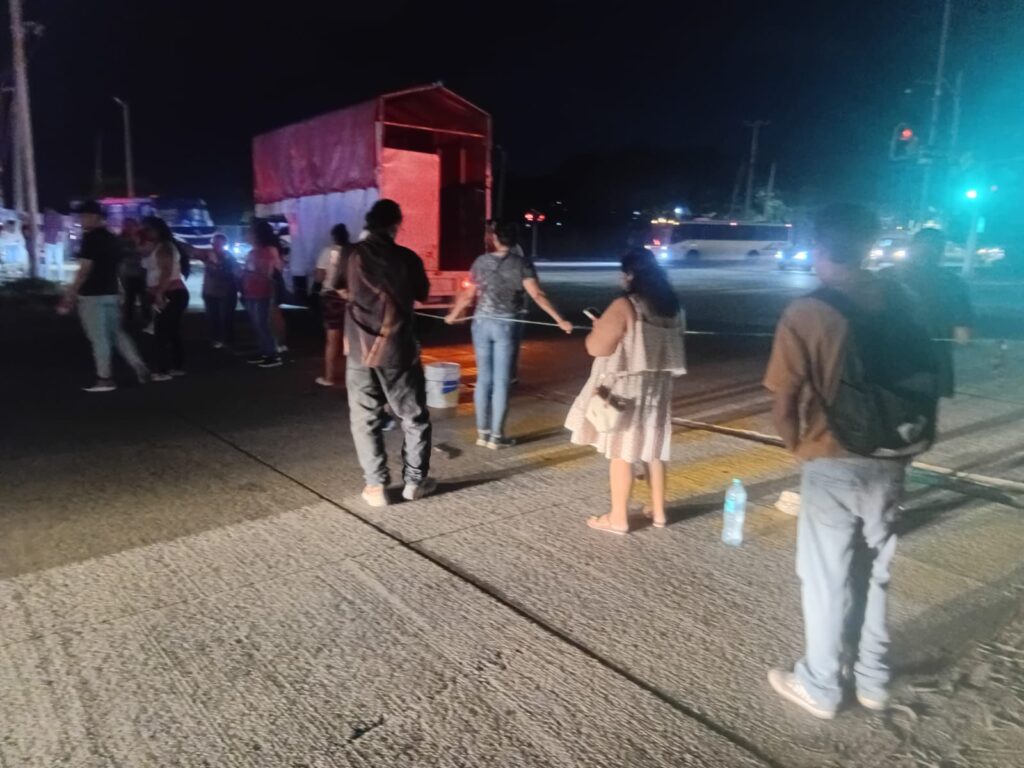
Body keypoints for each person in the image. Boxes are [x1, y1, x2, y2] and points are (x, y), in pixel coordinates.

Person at [764, 203, 929, 719]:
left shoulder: (808, 311)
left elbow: (783, 401)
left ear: (819, 249)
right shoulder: (899, 297)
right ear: (868, 246)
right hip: (894, 455)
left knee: (825, 579)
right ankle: (872, 679)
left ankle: (821, 685)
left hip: (833, 459)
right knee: (875, 572)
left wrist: (798, 448)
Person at [564, 248, 685, 533]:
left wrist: (599, 327)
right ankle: (658, 512)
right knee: (653, 449)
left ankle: (618, 518)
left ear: (630, 275)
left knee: (622, 452)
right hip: (658, 388)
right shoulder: (673, 307)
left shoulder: (626, 305)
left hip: (627, 390)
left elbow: (597, 348)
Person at [446, 221, 572, 448]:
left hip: (481, 323)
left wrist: (453, 315)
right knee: (502, 381)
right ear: (515, 240)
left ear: (494, 238)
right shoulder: (522, 264)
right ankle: (496, 436)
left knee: (484, 379)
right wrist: (559, 319)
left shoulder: (481, 262)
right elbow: (537, 295)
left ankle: (482, 433)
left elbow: (467, 295)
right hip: (506, 324)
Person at [344, 199, 435, 507]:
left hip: (359, 350)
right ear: (396, 225)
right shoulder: (407, 257)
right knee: (414, 416)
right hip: (398, 349)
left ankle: (376, 486)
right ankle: (415, 482)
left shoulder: (351, 254)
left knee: (365, 418)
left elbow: (334, 287)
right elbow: (423, 293)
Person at [58, 201, 148, 392]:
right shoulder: (112, 238)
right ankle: (137, 363)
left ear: (95, 217)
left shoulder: (91, 238)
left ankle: (104, 378)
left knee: (99, 338)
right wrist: (120, 290)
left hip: (92, 295)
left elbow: (84, 270)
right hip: (111, 293)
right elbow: (118, 268)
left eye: (84, 216)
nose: (81, 220)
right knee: (116, 333)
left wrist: (70, 293)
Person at [891, 227, 973, 398]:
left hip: (889, 364)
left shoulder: (887, 277)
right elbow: (963, 336)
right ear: (940, 252)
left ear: (911, 248)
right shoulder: (952, 282)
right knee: (922, 410)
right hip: (931, 366)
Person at [141, 216, 190, 381]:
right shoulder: (158, 246)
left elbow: (166, 271)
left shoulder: (165, 246)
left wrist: (160, 294)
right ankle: (176, 366)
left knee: (161, 331)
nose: (146, 232)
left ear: (157, 230)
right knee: (172, 331)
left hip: (170, 293)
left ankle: (162, 370)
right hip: (171, 293)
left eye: (148, 229)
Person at [241, 220, 284, 368]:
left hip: (262, 292)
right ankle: (264, 352)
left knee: (262, 324)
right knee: (257, 324)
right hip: (250, 291)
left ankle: (272, 354)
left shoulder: (268, 251)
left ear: (257, 235)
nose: (247, 235)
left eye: (250, 232)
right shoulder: (252, 252)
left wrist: (247, 272)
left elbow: (266, 273)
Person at [315, 223, 350, 387]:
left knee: (332, 339)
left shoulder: (327, 252)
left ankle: (329, 377)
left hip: (331, 297)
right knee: (351, 339)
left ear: (333, 237)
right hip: (351, 297)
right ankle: (353, 377)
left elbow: (319, 276)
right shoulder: (353, 253)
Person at [197, 233, 239, 349]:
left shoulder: (228, 257)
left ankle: (226, 341)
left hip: (224, 292)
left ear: (223, 244)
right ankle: (216, 340)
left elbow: (231, 273)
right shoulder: (209, 255)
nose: (214, 245)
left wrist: (216, 263)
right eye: (213, 242)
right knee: (213, 317)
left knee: (225, 318)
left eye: (217, 242)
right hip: (210, 291)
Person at [118, 217, 150, 329]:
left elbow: (146, 252)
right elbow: (120, 254)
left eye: (131, 225)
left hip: (142, 272)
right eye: (126, 225)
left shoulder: (143, 237)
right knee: (129, 298)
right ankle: (129, 322)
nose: (129, 228)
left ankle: (146, 320)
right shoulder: (121, 239)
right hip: (128, 273)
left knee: (144, 297)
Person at [43, 207, 66, 282]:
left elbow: (60, 230)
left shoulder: (47, 217)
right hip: (54, 242)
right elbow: (61, 230)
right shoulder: (57, 216)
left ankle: (49, 278)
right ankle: (60, 278)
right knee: (57, 261)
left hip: (52, 242)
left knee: (49, 261)